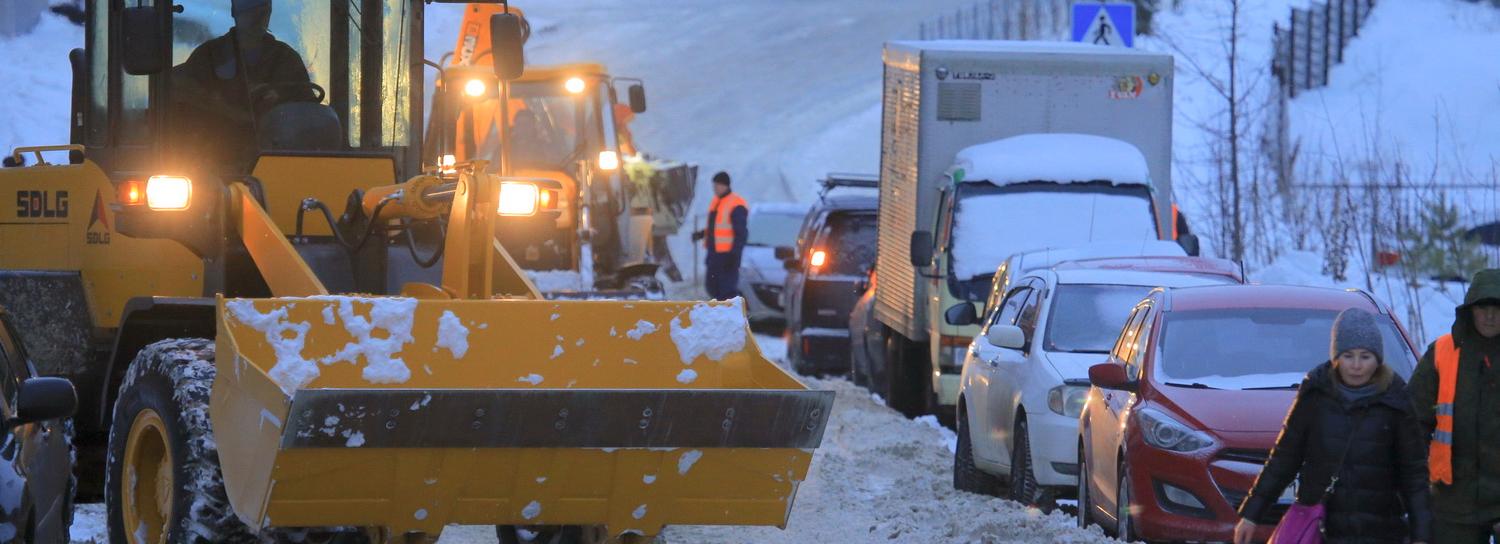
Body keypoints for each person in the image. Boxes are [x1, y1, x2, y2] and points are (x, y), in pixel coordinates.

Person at [1233, 308, 1431, 544]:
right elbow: (1283, 459)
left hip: (1380, 529)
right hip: (1324, 527)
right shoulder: (1315, 395)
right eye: (1348, 356)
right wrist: (1251, 514)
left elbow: (1414, 475)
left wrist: (1422, 535)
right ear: (1336, 357)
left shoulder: (1396, 400)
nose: (1356, 366)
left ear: (1377, 360)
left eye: (1365, 356)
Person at [1409, 269, 1500, 543]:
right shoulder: (1441, 353)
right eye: (1483, 307)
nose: (1490, 316)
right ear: (1470, 310)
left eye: (1497, 308)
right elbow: (1411, 423)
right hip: (1453, 504)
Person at [171, 0, 314, 168]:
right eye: (250, 12)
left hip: (277, 162)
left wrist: (279, 98)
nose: (257, 18)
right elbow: (181, 100)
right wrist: (221, 106)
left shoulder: (287, 59)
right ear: (235, 13)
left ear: (269, 13)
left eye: (262, 11)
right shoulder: (208, 57)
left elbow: (307, 112)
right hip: (211, 166)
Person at [691, 172, 747, 300]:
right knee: (712, 287)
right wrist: (701, 234)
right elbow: (716, 228)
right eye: (714, 185)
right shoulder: (717, 202)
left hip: (727, 256)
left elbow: (741, 233)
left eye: (717, 185)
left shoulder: (736, 204)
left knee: (727, 291)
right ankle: (719, 315)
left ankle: (729, 316)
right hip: (714, 254)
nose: (714, 188)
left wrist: (734, 254)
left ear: (725, 185)